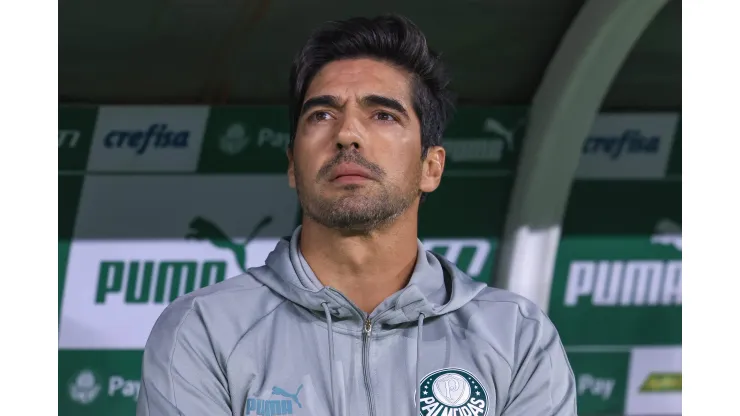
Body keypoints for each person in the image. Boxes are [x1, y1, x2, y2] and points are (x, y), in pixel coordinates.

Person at [136, 14, 577, 416]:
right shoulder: (205, 329)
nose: (347, 134)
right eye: (322, 114)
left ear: (431, 167)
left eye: (383, 115)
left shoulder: (517, 337)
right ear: (293, 164)